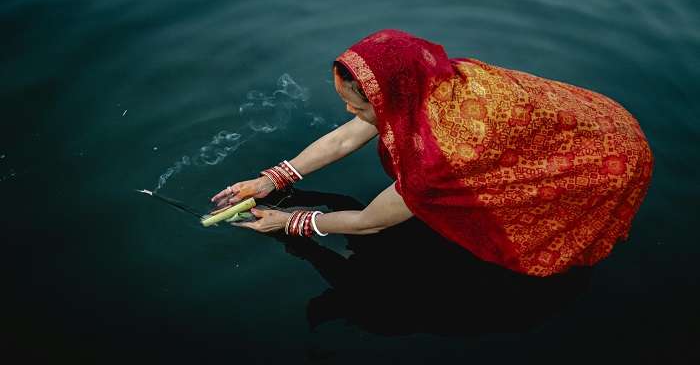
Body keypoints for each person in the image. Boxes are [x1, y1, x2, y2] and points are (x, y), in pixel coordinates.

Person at [209, 29, 654, 277]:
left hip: (606, 163)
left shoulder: (435, 160)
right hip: (596, 119)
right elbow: (349, 135)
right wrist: (275, 178)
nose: (349, 111)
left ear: (390, 96)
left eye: (359, 104)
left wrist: (290, 221)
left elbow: (369, 222)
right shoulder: (431, 77)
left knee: (530, 222)